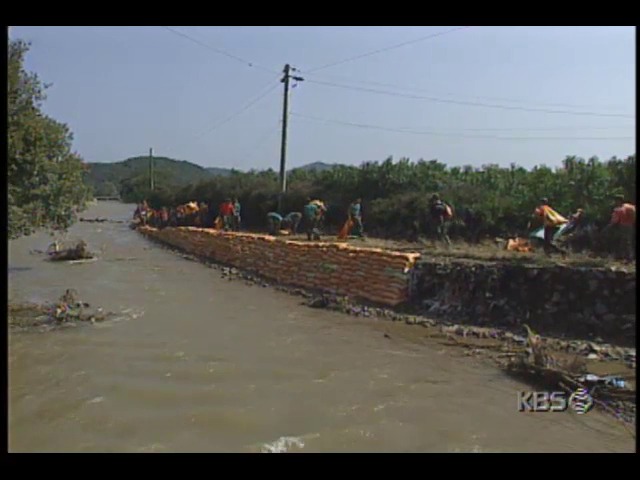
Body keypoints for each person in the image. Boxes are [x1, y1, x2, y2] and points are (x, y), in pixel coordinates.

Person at [602, 194, 636, 261]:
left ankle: (624, 257)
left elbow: (614, 221)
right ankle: (628, 257)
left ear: (619, 200)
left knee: (622, 241)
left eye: (616, 200)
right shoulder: (630, 206)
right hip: (631, 225)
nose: (615, 202)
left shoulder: (619, 209)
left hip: (623, 226)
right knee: (628, 241)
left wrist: (607, 228)